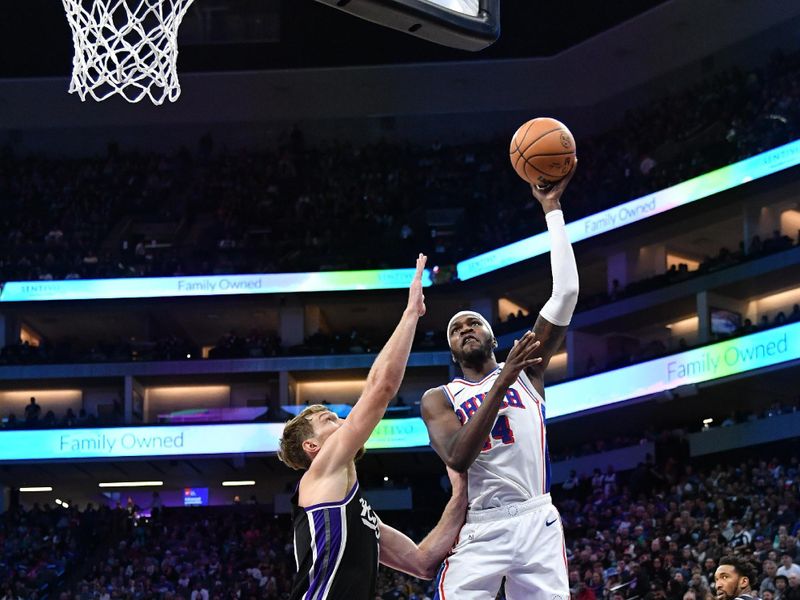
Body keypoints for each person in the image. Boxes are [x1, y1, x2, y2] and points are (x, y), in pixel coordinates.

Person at [420, 168, 579, 600]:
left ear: (493, 337)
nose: (465, 329)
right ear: (453, 353)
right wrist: (502, 380)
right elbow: (457, 457)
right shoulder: (439, 398)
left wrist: (552, 209)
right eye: (456, 329)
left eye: (474, 323)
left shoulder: (527, 368)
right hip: (481, 525)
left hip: (536, 519)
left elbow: (565, 292)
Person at [278, 255, 468, 600]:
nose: (343, 420)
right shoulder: (320, 471)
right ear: (312, 447)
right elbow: (380, 389)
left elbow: (423, 562)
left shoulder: (362, 515)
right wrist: (412, 313)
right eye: (329, 420)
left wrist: (462, 493)